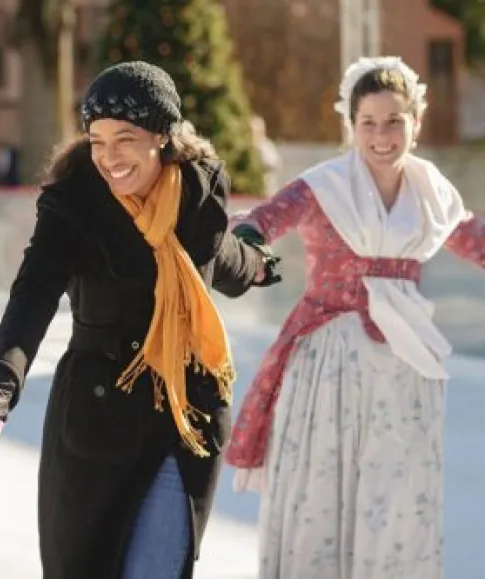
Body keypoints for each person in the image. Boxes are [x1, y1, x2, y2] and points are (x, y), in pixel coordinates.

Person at [0, 61, 281, 578]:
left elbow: (216, 258)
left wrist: (258, 266)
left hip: (184, 416)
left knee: (157, 568)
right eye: (97, 140)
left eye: (125, 138)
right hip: (98, 420)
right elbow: (33, 293)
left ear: (162, 137)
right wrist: (1, 381)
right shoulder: (74, 202)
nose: (109, 157)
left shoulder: (196, 192)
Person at [225, 56, 485, 578]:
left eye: (394, 121)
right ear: (352, 125)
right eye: (369, 122)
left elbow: (474, 242)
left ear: (415, 122)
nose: (382, 135)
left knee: (397, 502)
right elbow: (265, 220)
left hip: (404, 368)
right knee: (321, 494)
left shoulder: (431, 193)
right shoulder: (324, 185)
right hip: (329, 364)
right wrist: (246, 242)